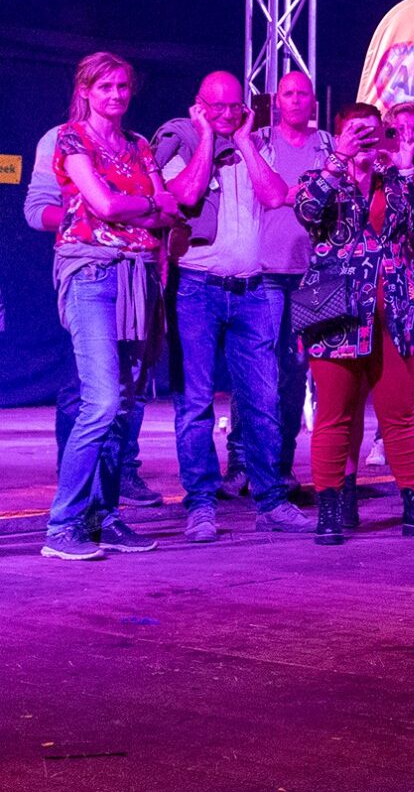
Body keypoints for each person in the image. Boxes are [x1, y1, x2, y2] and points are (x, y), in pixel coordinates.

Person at [157, 70, 314, 541]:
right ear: (199, 105)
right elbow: (184, 195)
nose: (226, 115)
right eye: (216, 107)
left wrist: (244, 141)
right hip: (196, 288)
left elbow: (274, 196)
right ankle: (201, 504)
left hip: (250, 289)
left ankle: (271, 499)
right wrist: (207, 136)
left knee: (263, 399)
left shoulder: (255, 142)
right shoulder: (180, 139)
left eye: (234, 107)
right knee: (196, 402)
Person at [294, 102, 414, 544]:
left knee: (400, 415)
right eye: (355, 131)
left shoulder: (396, 181)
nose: (365, 138)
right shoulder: (320, 176)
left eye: (372, 131)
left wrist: (404, 170)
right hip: (331, 306)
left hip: (396, 306)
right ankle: (330, 511)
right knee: (333, 415)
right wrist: (338, 161)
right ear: (339, 134)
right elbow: (307, 212)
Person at [41, 52, 176, 561]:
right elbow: (104, 204)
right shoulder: (72, 137)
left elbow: (169, 212)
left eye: (122, 87)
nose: (116, 95)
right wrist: (144, 207)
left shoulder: (140, 145)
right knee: (98, 402)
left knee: (122, 408)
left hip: (137, 277)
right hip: (91, 272)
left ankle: (105, 514)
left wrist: (142, 208)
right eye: (106, 87)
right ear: (87, 89)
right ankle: (63, 526)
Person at [260, 69, 333, 492]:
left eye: (302, 94)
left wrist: (290, 192)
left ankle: (282, 468)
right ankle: (249, 463)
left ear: (312, 102)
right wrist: (298, 192)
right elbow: (263, 192)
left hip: (316, 274)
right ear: (277, 100)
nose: (295, 100)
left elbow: (332, 194)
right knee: (263, 371)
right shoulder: (261, 143)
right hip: (268, 272)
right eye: (287, 93)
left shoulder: (326, 144)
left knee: (300, 370)